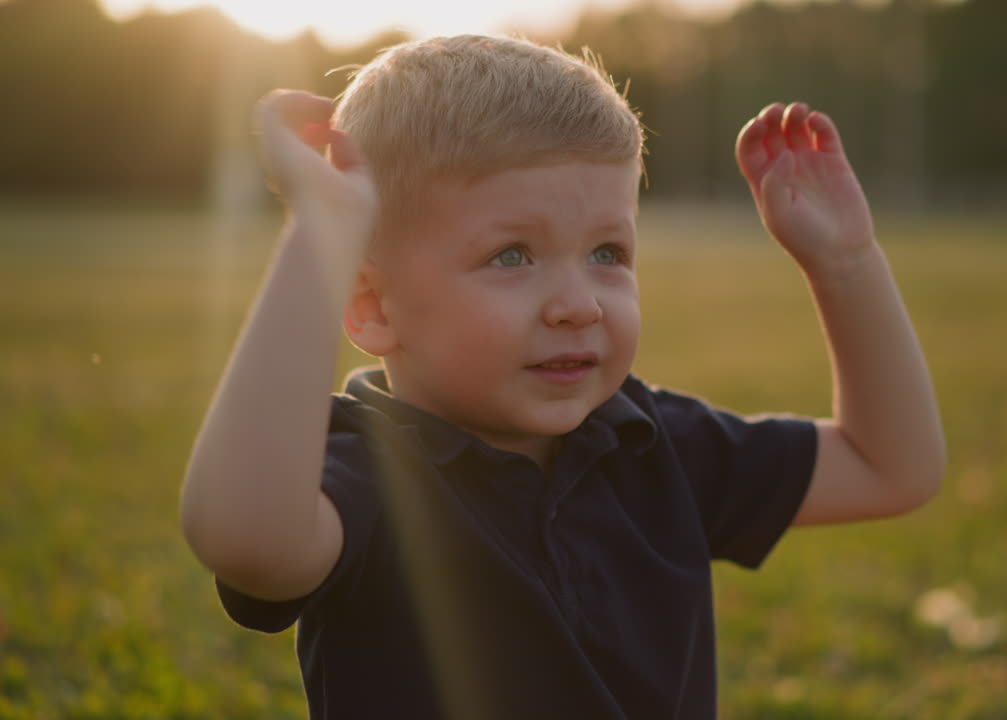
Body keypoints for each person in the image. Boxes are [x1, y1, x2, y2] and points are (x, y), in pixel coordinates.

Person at [181, 35, 945, 719]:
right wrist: (322, 239)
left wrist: (845, 266)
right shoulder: (368, 475)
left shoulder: (652, 444)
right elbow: (243, 538)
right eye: (512, 255)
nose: (578, 305)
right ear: (373, 307)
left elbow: (891, 468)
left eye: (608, 253)